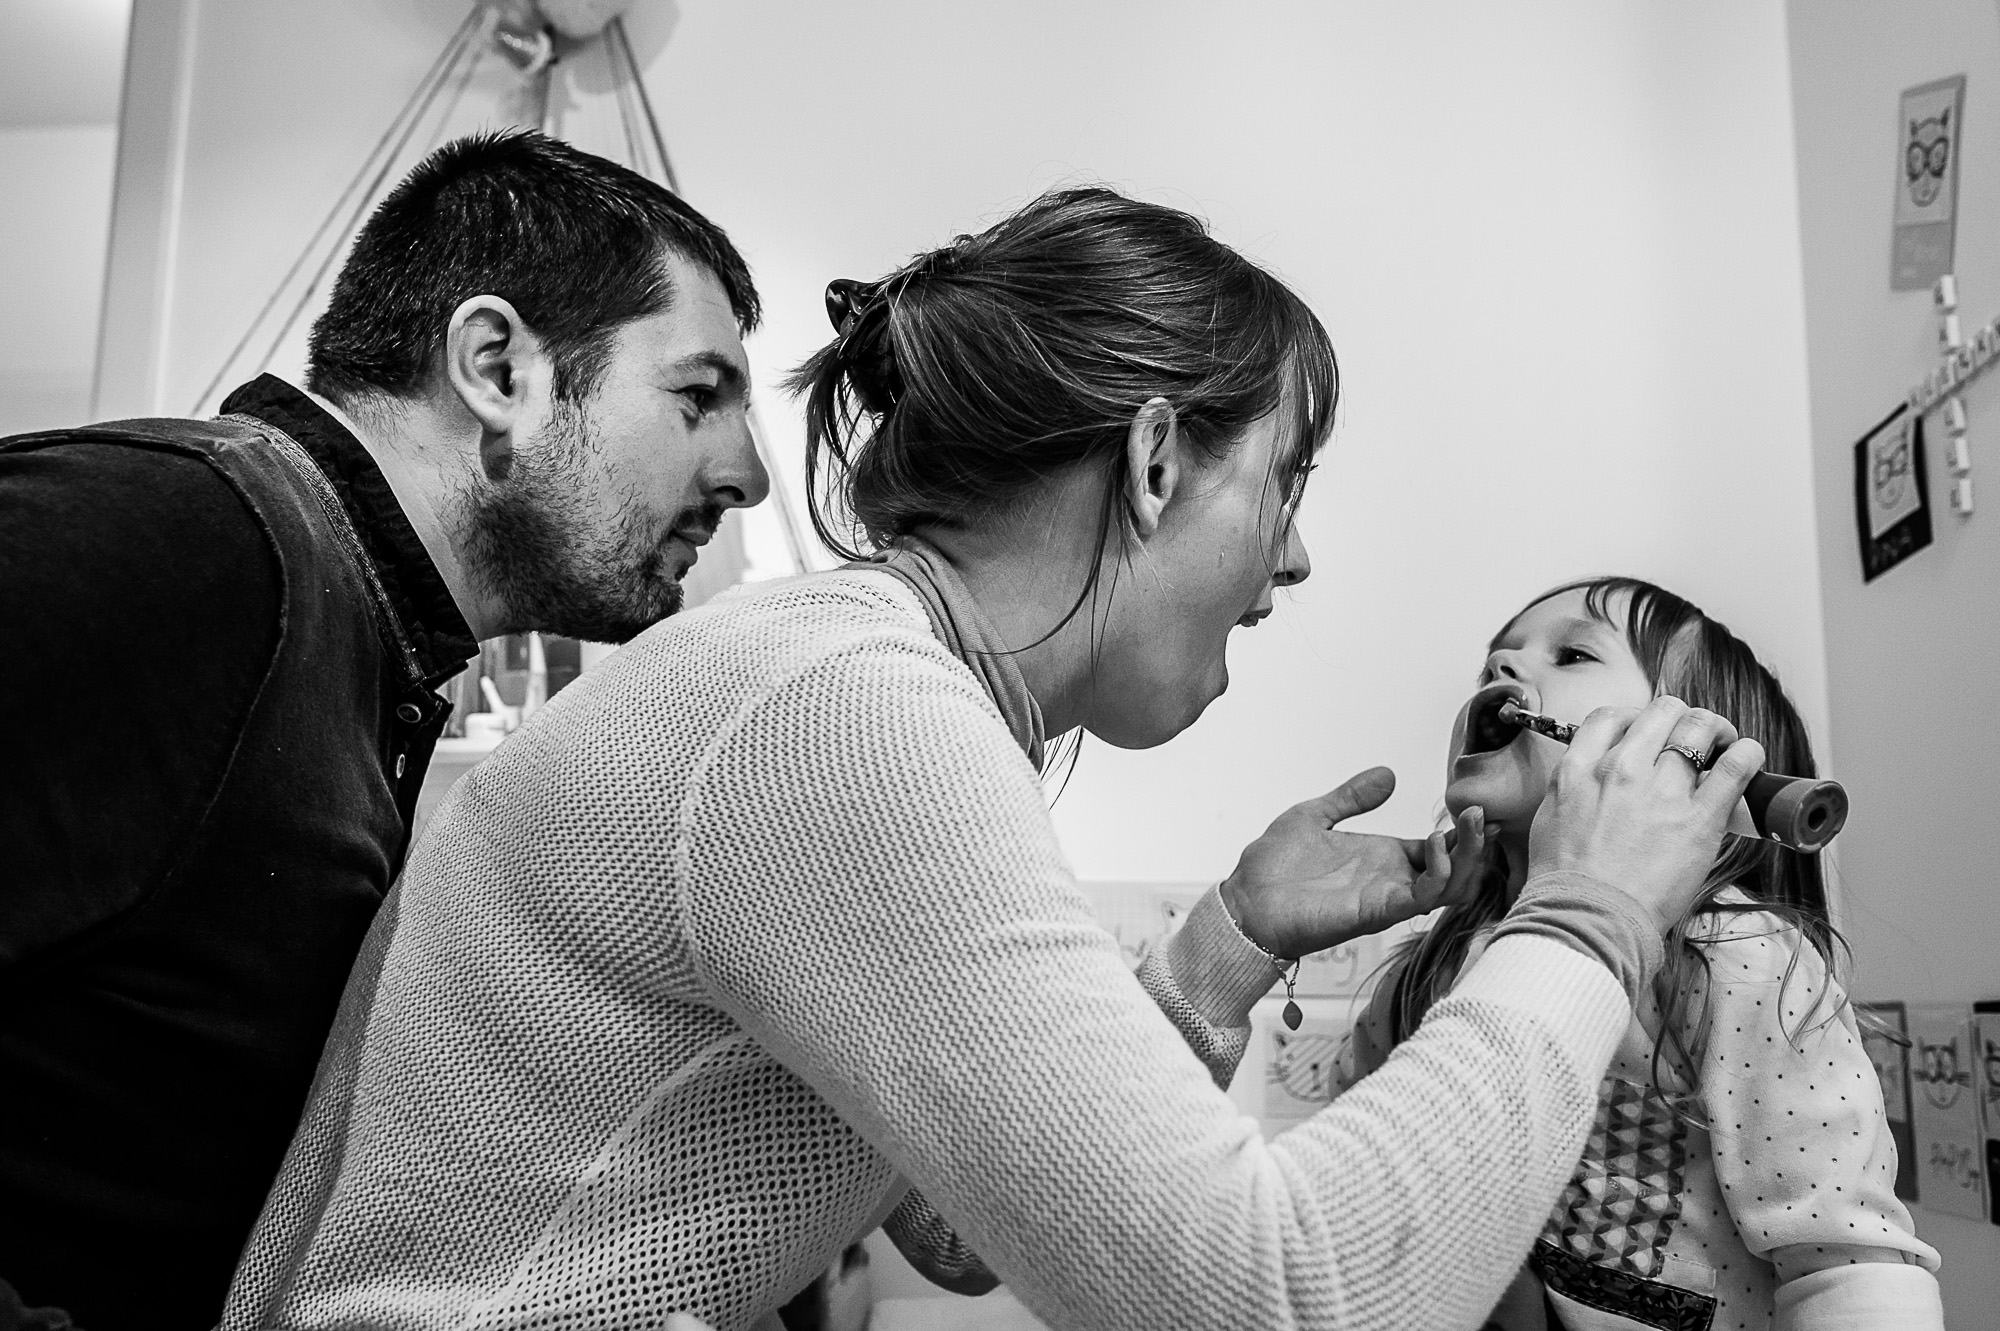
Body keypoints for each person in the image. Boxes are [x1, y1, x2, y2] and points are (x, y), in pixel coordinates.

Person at [220, 188, 1764, 1331]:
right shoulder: (842, 713)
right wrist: (1590, 914)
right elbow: (1290, 1300)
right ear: (1155, 463)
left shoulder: (843, 685)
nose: (1290, 562)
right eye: (1281, 484)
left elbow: (959, 1232)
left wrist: (1225, 944)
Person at [0, 131, 768, 1331]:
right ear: (496, 365)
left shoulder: (349, 637)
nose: (747, 473)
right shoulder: (197, 536)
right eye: (696, 395)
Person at [1334, 577, 1944, 1329]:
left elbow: (1846, 1264)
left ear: (1692, 759)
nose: (1500, 662)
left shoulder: (1740, 958)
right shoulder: (1436, 964)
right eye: (1497, 657)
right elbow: (1352, 1178)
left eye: (1572, 651)